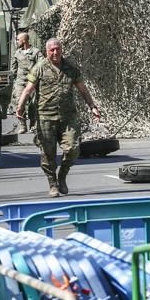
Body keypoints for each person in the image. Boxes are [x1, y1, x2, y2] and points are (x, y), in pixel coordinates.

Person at [14, 38, 101, 197]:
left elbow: (83, 89)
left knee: (73, 149)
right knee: (48, 154)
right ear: (46, 51)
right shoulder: (39, 68)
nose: (55, 53)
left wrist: (92, 106)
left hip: (68, 117)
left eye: (58, 49)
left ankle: (62, 175)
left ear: (61, 50)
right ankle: (52, 183)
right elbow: (28, 89)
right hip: (45, 117)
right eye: (52, 50)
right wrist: (20, 107)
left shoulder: (71, 68)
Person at [9, 32, 41, 132]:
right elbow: (13, 68)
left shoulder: (36, 52)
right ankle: (22, 125)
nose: (17, 42)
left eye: (18, 40)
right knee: (19, 102)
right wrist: (12, 80)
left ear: (24, 40)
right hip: (20, 81)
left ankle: (32, 124)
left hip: (32, 82)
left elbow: (41, 65)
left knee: (33, 104)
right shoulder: (17, 53)